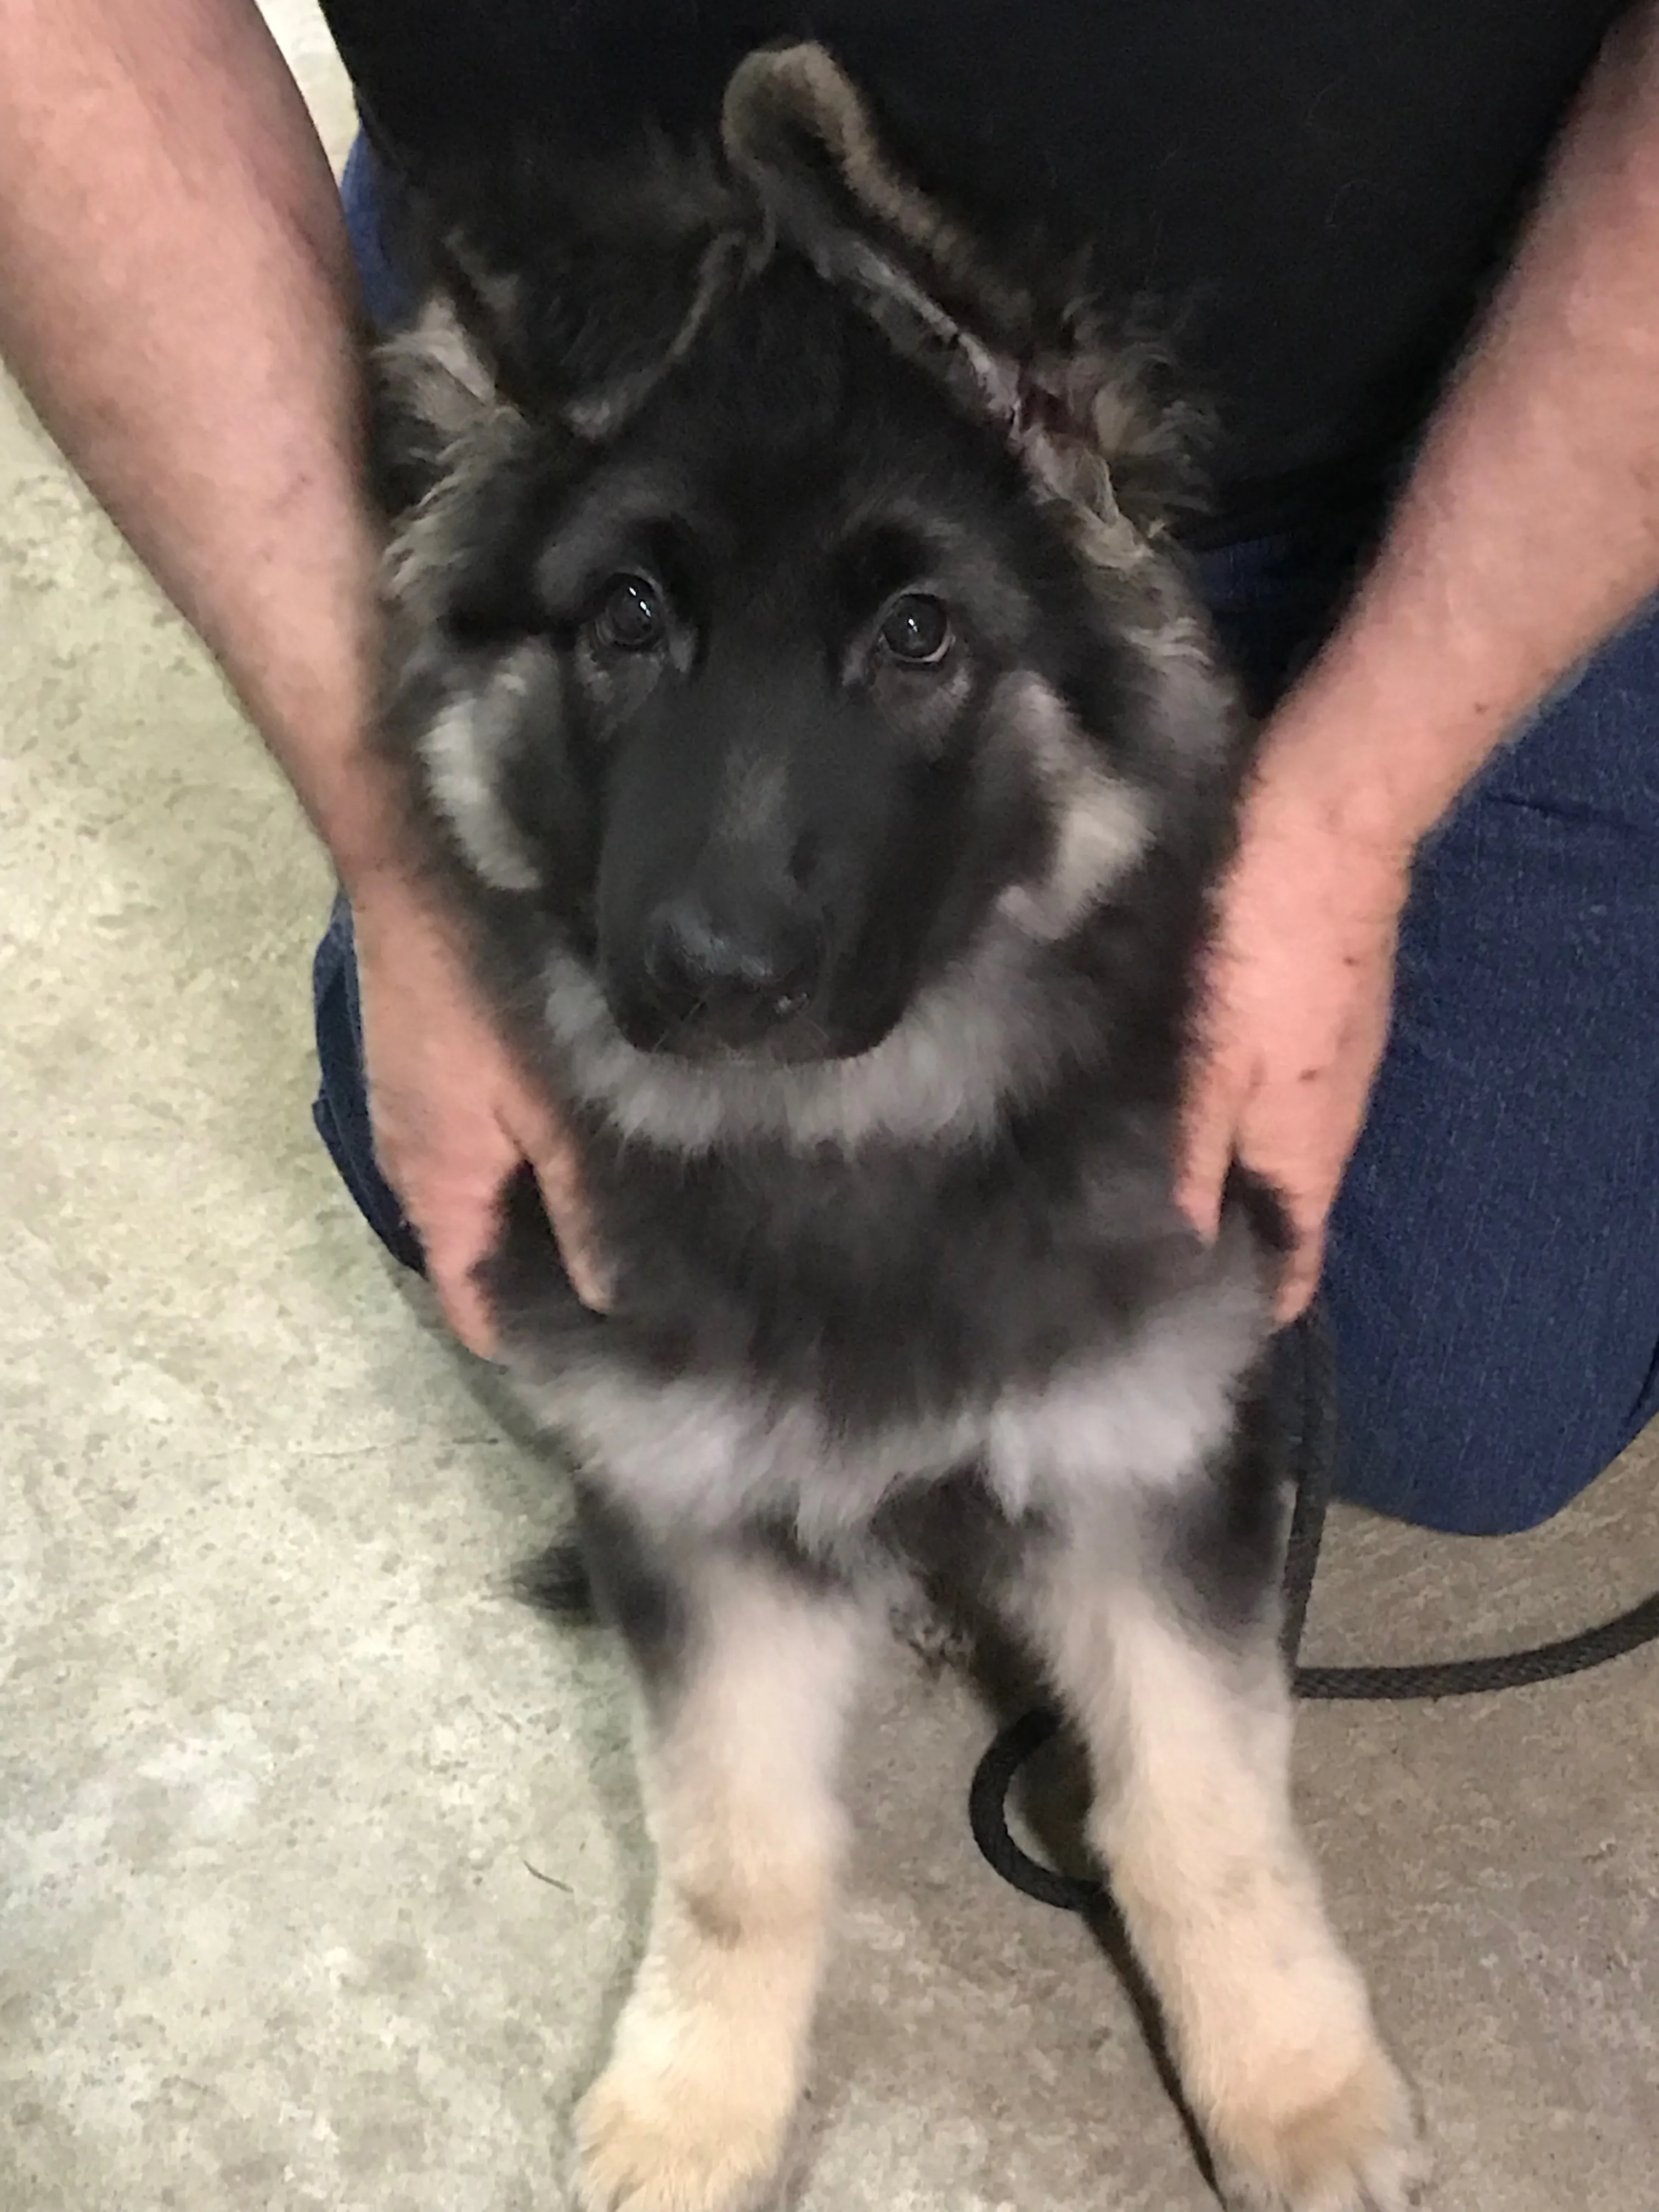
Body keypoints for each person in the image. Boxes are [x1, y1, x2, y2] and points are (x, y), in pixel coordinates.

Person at [3, 0, 1658, 1536]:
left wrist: (1354, 814)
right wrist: (398, 829)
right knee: (580, 1229)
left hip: (1419, 402)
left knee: (1452, 1379)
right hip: (600, 352)